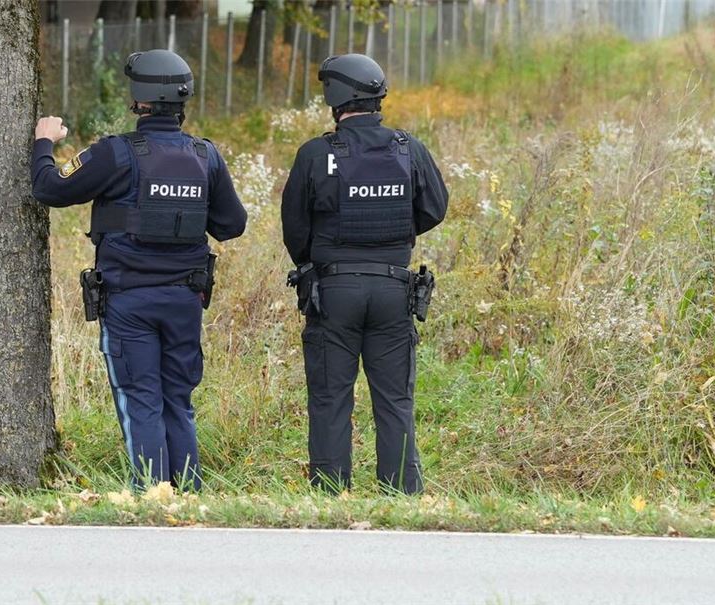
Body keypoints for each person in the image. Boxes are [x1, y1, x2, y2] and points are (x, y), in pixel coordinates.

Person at [31, 49, 247, 491]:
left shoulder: (115, 154)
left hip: (129, 303)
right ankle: (187, 495)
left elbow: (49, 188)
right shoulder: (206, 155)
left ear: (139, 99)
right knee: (178, 402)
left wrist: (43, 142)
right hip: (185, 301)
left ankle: (151, 496)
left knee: (141, 400)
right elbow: (232, 225)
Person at [281, 53, 449, 494]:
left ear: (335, 97)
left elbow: (294, 229)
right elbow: (434, 208)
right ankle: (400, 495)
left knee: (330, 398)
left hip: (333, 290)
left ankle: (331, 494)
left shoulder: (316, 154)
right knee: (395, 400)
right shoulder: (407, 148)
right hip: (394, 287)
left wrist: (327, 257)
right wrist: (393, 241)